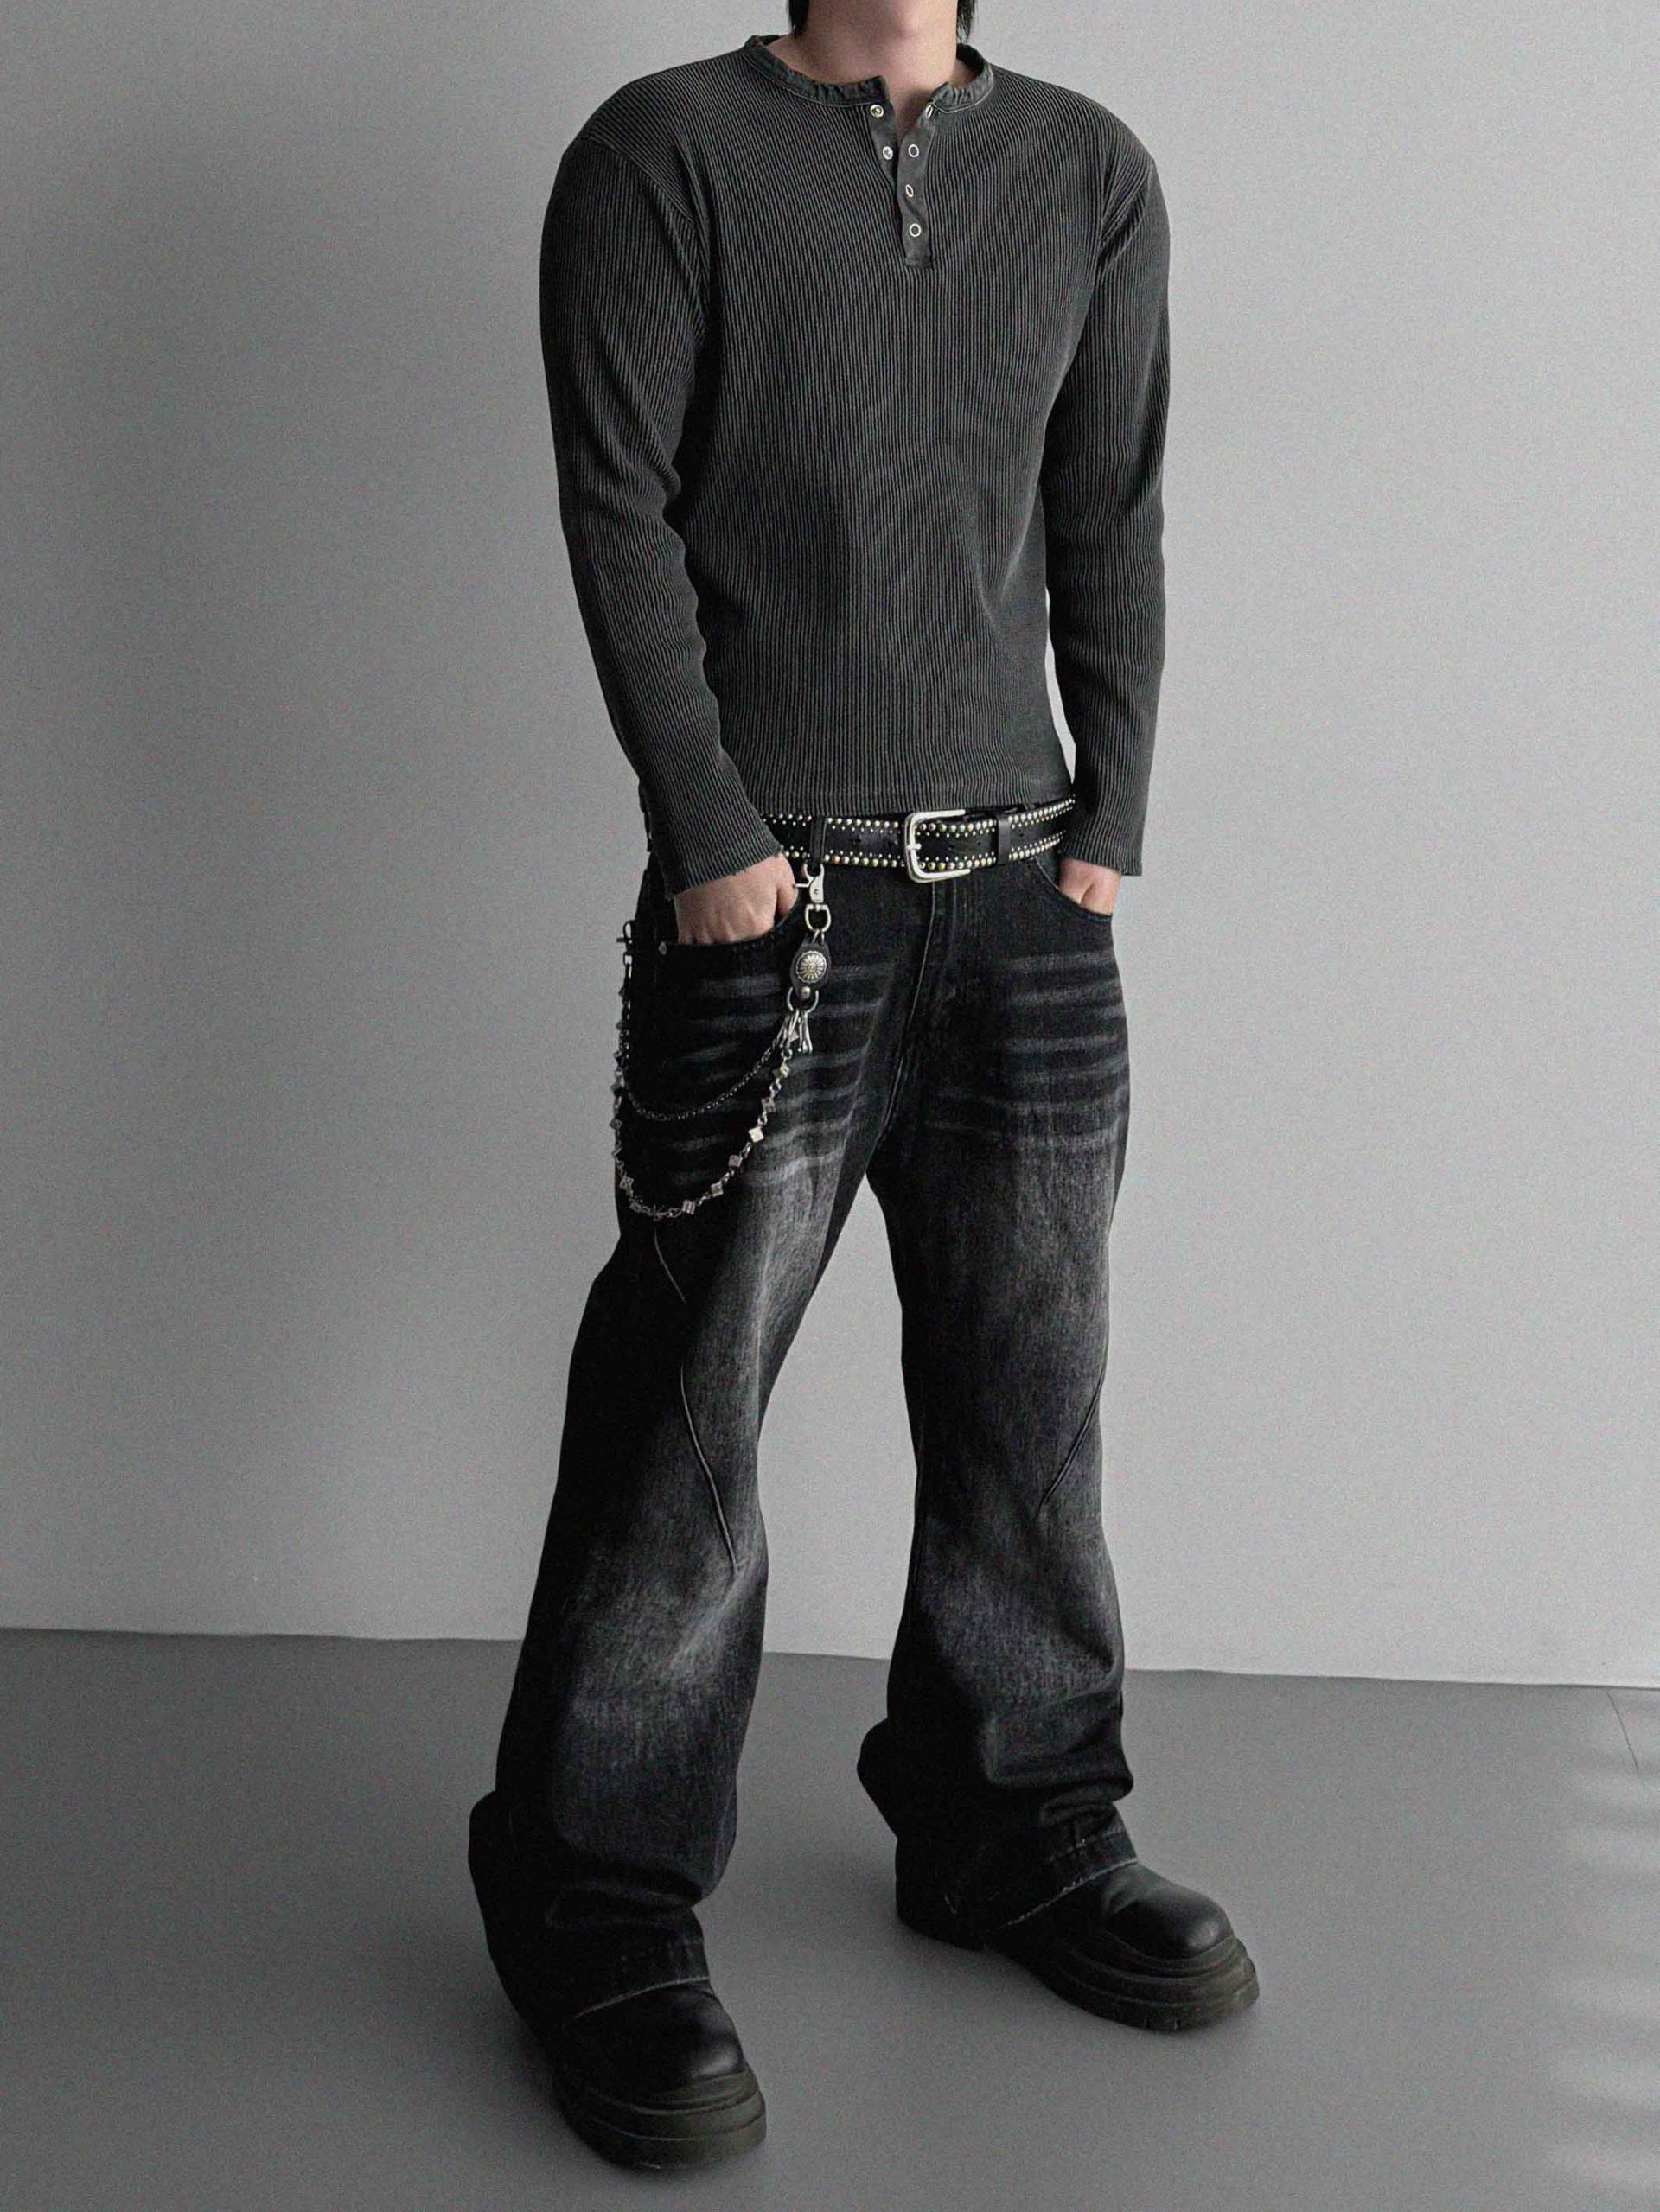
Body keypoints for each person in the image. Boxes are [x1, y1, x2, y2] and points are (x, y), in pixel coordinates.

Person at [469, 1, 1258, 2170]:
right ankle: (592, 1888)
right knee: (688, 1407)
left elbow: (1110, 498)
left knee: (1032, 1383)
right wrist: (710, 832)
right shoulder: (663, 154)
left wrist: (1114, 811)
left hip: (1027, 893)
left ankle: (1013, 1815)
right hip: (776, 897)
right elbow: (618, 503)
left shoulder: (1087, 172)